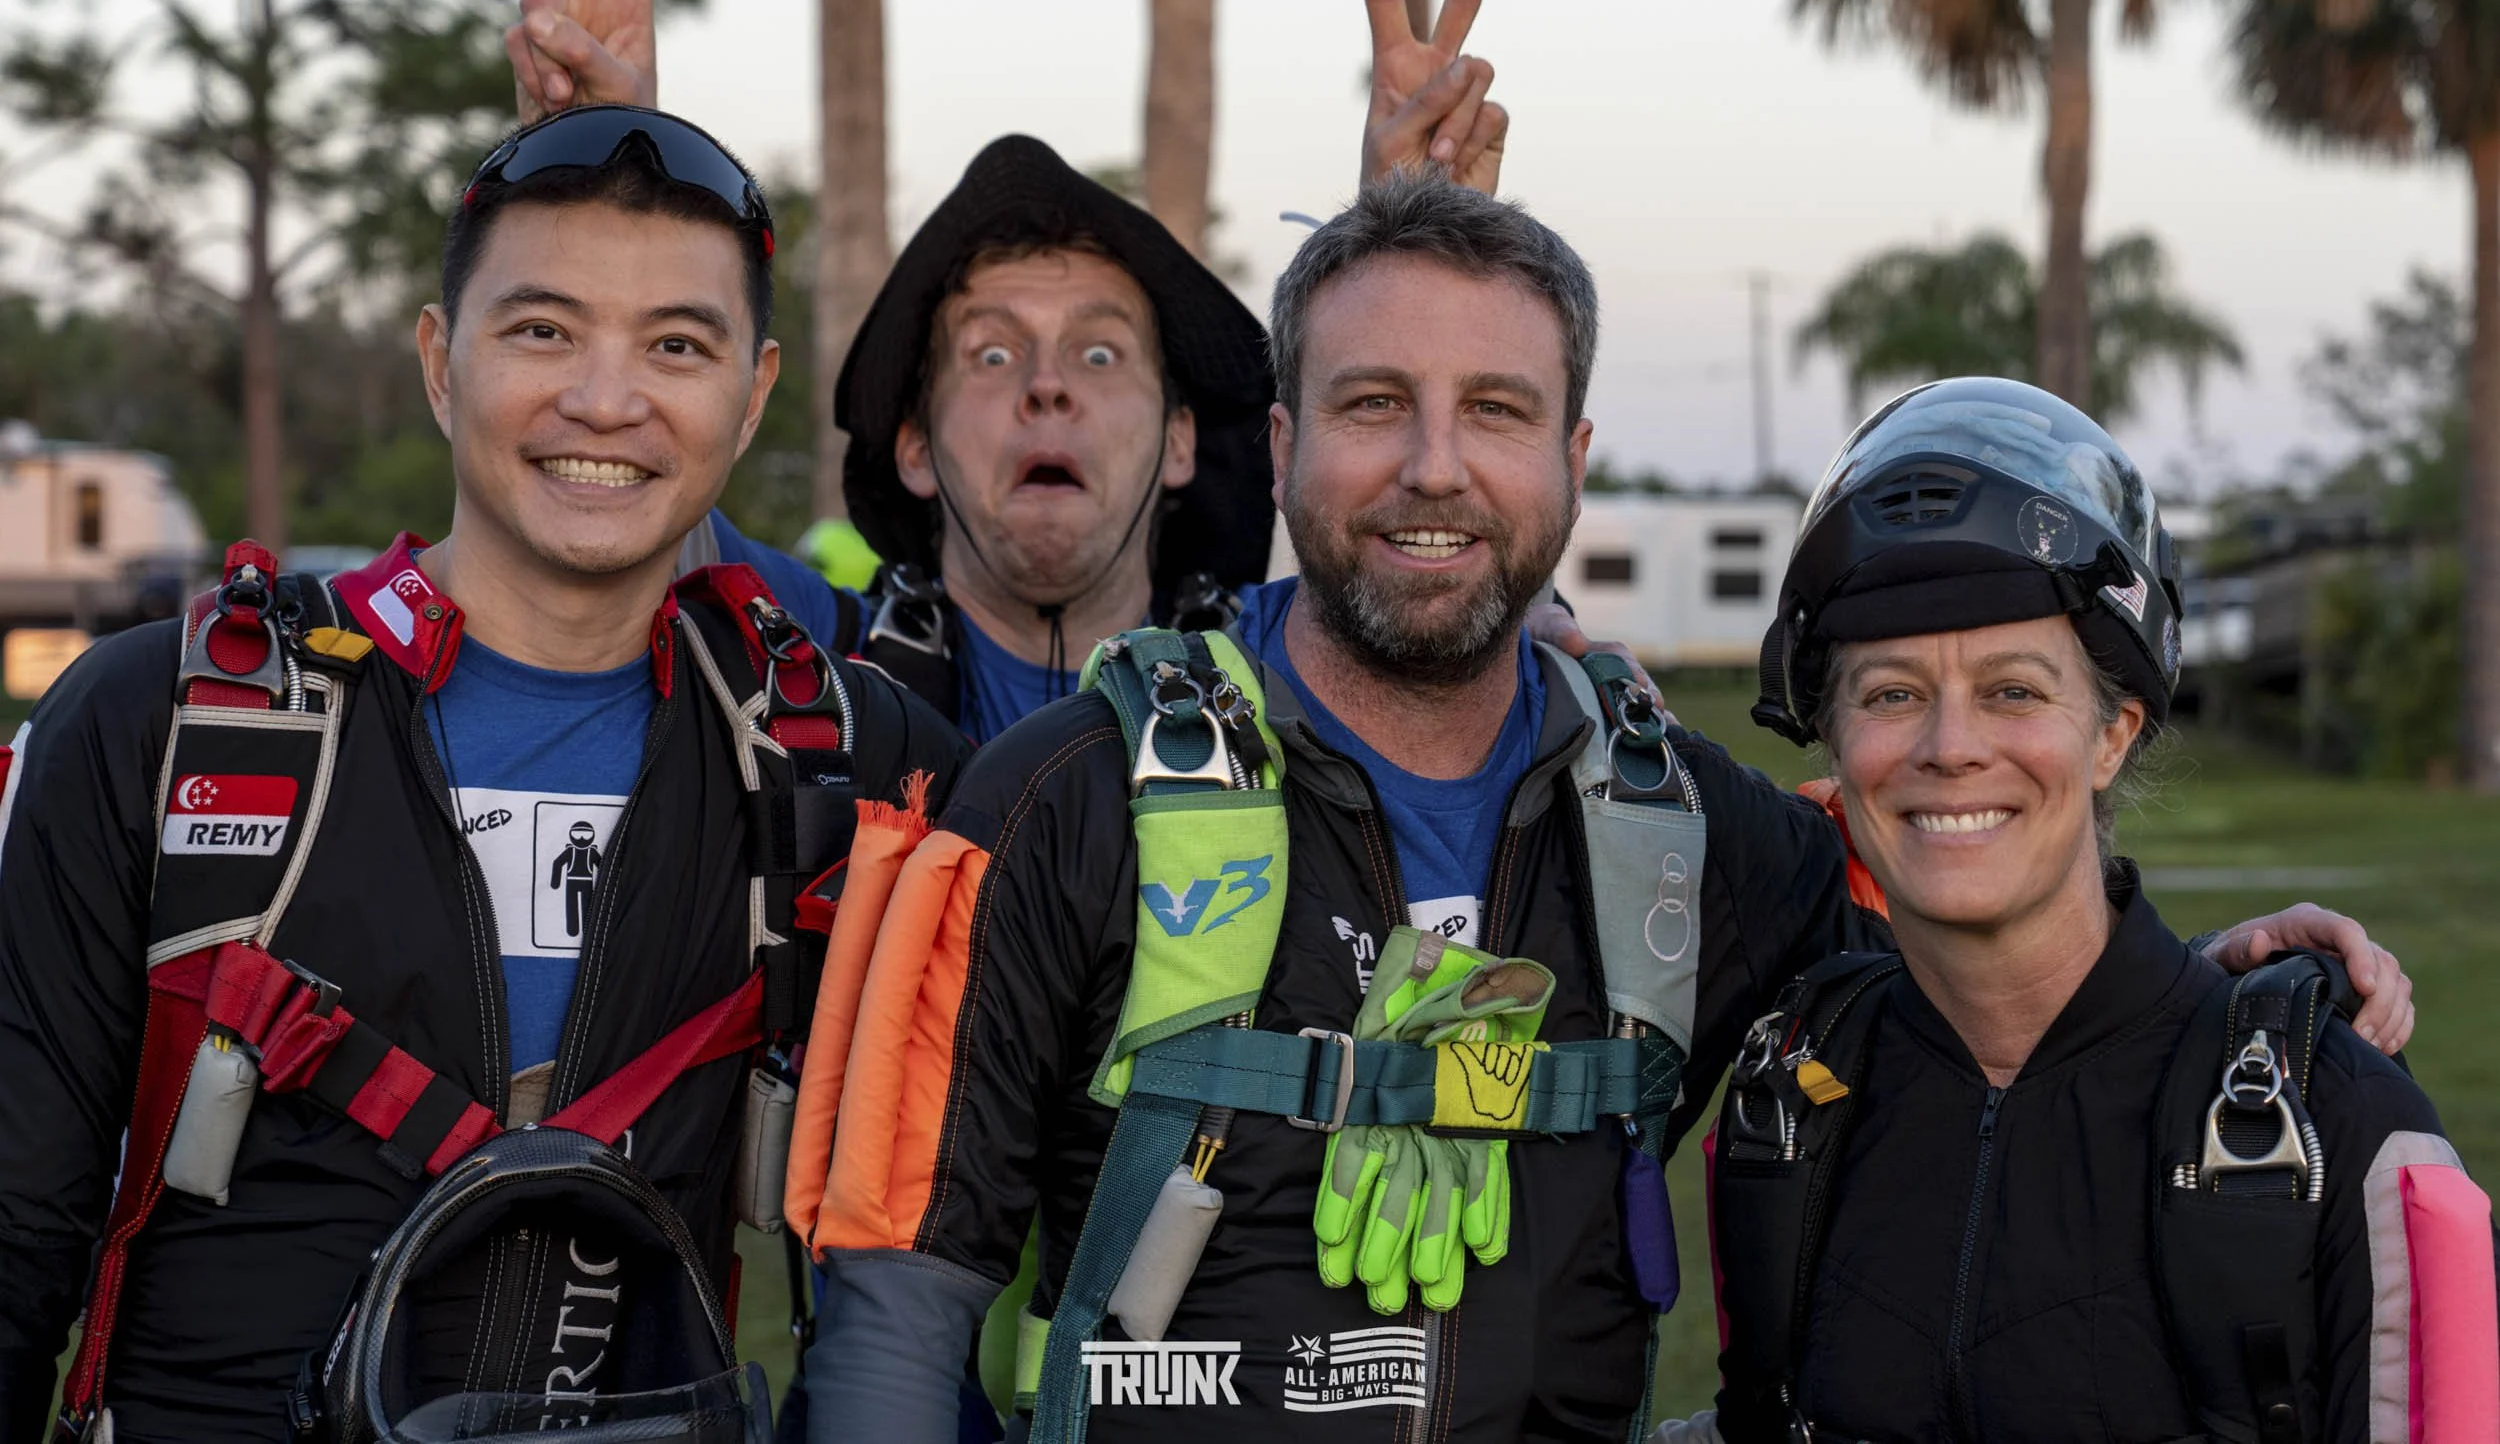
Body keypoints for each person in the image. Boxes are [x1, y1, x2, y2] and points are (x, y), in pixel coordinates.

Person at [787, 178, 2415, 1443]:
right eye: (1372, 406)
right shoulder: (1066, 798)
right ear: (1283, 447)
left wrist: (2219, 991)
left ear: (1572, 458)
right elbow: (890, 1307)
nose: (1435, 466)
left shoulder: (1684, 824)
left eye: (1495, 412)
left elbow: (1990, 936)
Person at [0, 105, 966, 1442]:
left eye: (676, 344)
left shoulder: (846, 753)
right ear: (441, 362)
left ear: (750, 396)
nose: (606, 398)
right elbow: (14, 1225)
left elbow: (1087, 849)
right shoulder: (160, 720)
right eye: (542, 328)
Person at [499, 0, 1514, 740]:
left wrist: (1410, 252)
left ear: (1179, 440)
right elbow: (632, 482)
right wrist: (596, 171)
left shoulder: (1293, 678)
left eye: (1101, 351)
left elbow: (1429, 537)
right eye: (990, 351)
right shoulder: (797, 655)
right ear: (913, 445)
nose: (1045, 385)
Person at [1683, 376, 2494, 1444]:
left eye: (2015, 688)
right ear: (1833, 741)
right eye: (1889, 693)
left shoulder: (2340, 1128)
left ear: (2112, 732)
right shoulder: (1783, 1120)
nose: (1949, 744)